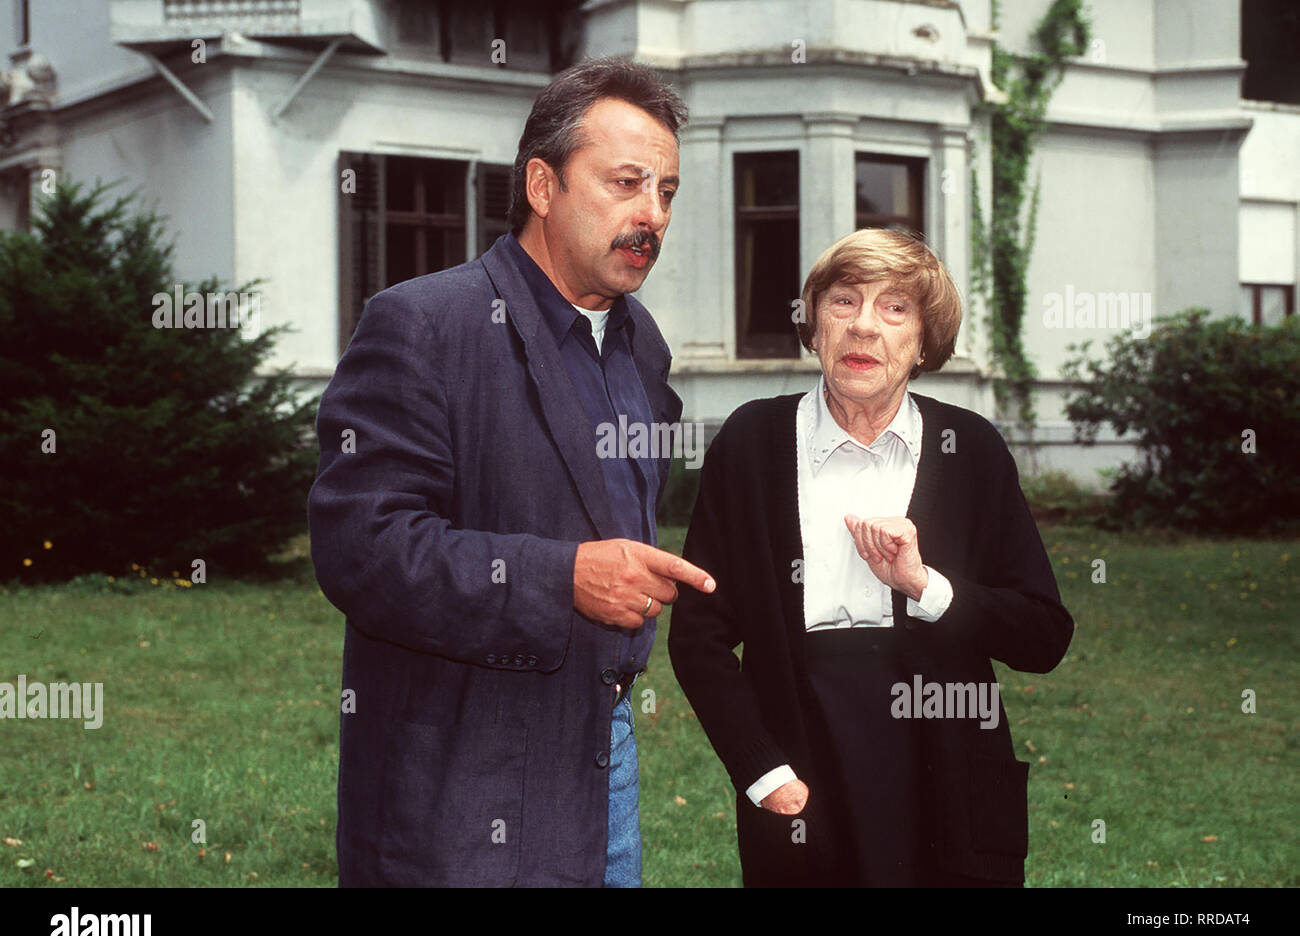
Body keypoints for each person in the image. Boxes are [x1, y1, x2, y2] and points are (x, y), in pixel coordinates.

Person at [308, 57, 713, 887]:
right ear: (542, 185)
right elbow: (362, 547)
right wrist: (561, 578)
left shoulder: (641, 344)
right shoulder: (423, 324)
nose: (652, 213)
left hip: (603, 756)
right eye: (626, 182)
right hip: (461, 779)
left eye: (667, 191)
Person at [668, 228, 1074, 886]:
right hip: (805, 771)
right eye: (843, 301)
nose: (863, 326)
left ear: (924, 341)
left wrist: (925, 585)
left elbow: (1044, 636)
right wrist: (762, 770)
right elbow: (698, 636)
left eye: (894, 308)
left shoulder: (969, 450)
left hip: (947, 772)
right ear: (814, 325)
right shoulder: (751, 443)